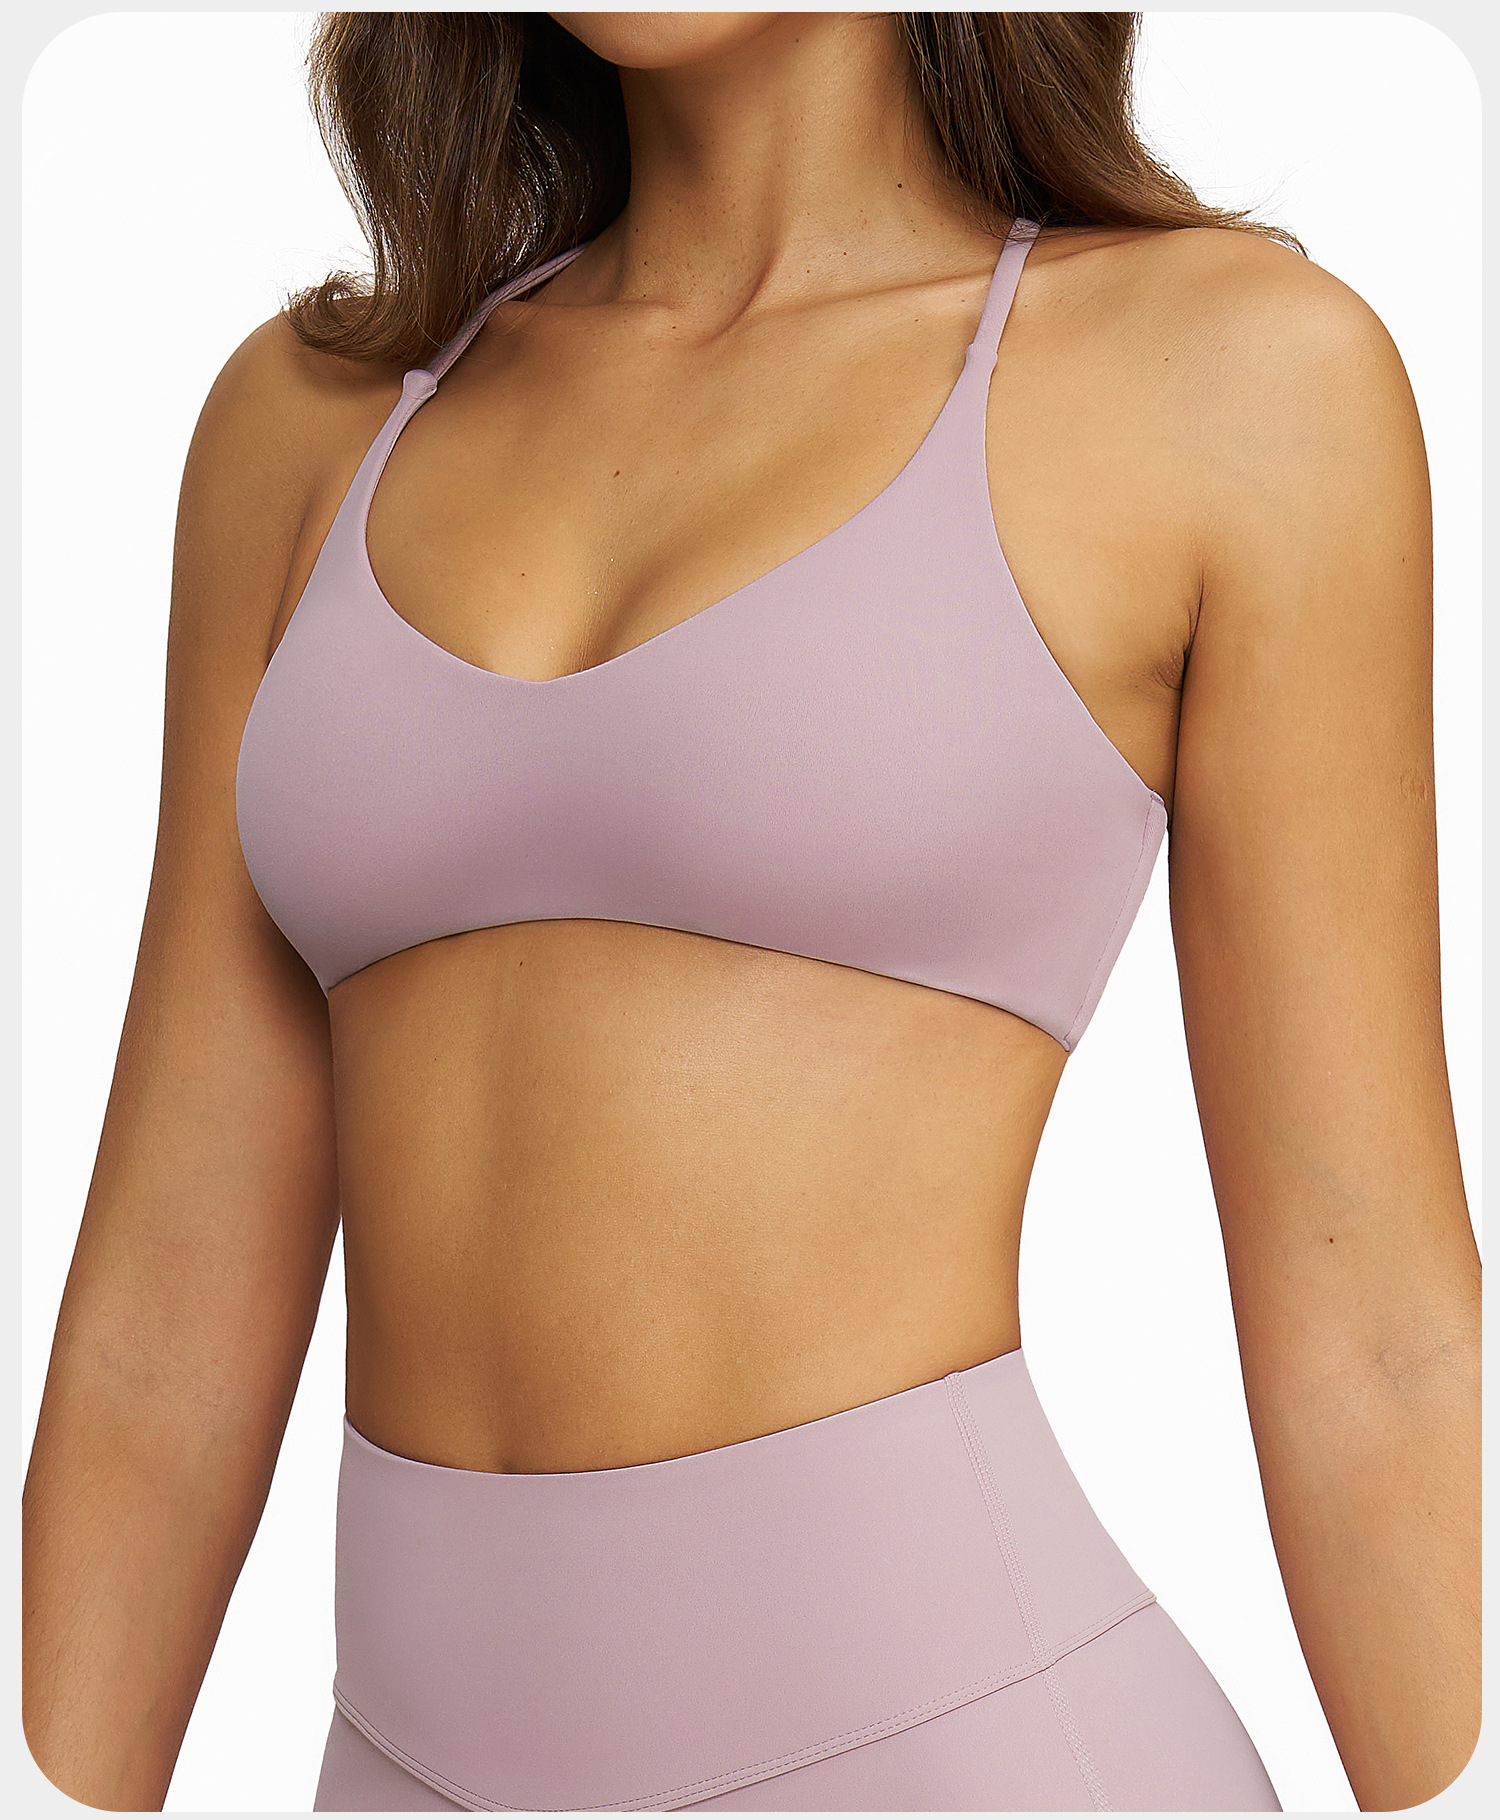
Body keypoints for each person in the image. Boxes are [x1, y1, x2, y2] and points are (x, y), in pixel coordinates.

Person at [22, 11, 1478, 1812]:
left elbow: (1375, 1328)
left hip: (969, 1760)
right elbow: (156, 1335)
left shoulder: (1228, 374)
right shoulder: (317, 416)